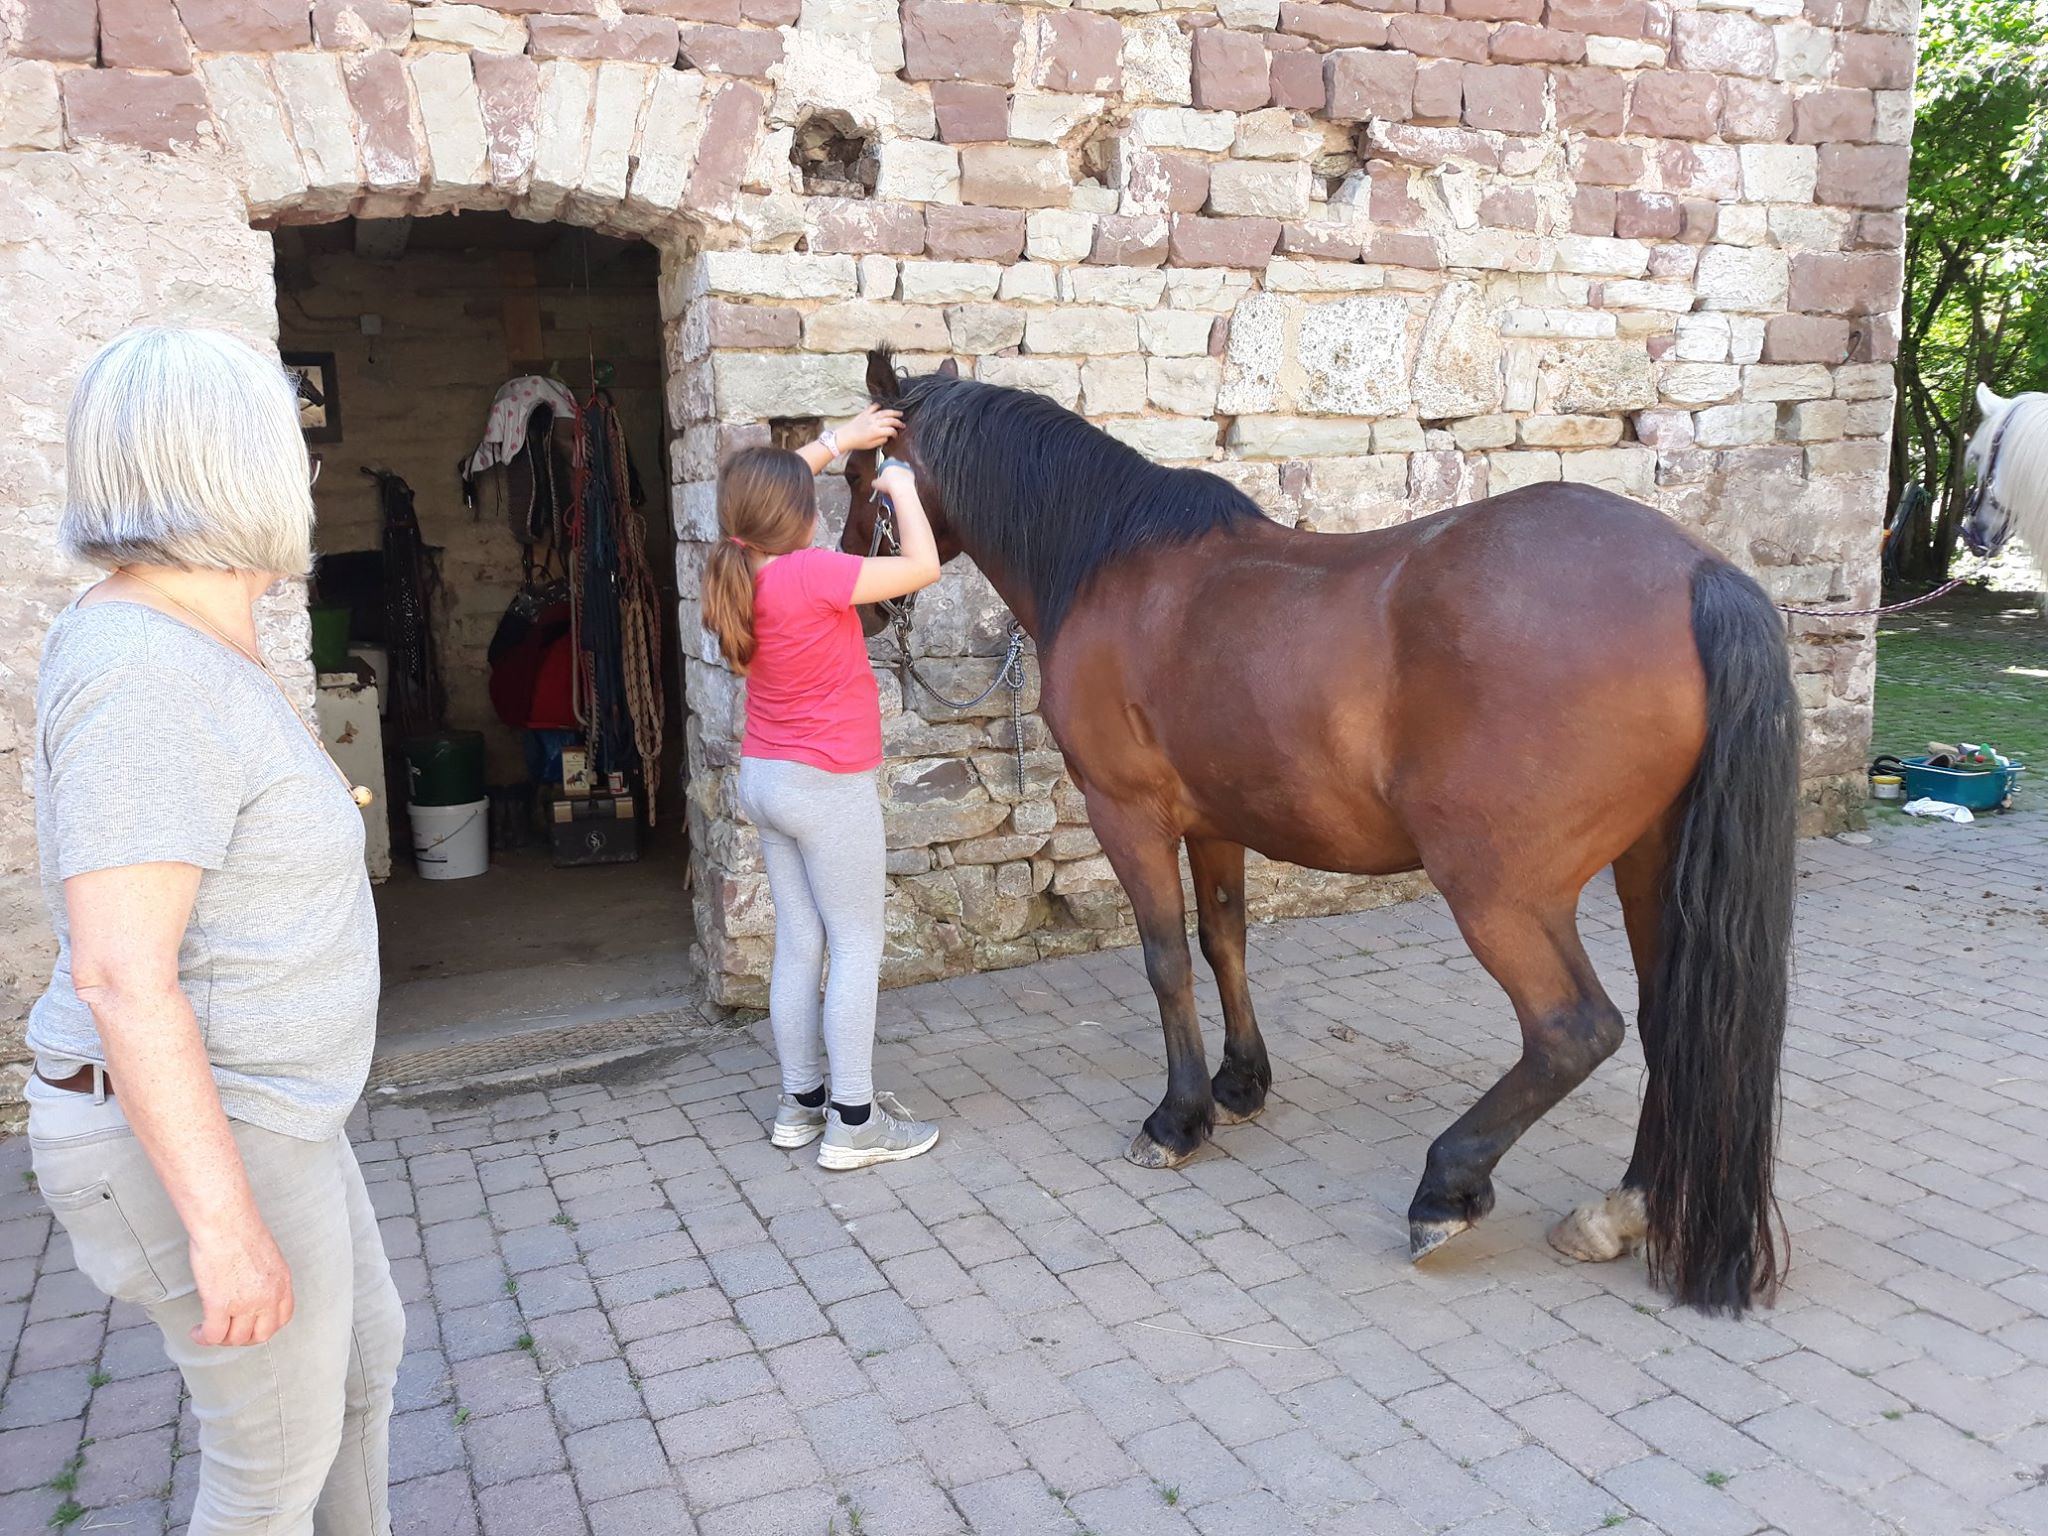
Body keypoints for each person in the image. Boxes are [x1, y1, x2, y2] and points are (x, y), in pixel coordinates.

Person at [26, 327, 402, 1535]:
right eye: (284, 439)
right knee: (267, 1478)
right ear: (232, 461)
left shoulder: (192, 637)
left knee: (356, 1374)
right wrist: (225, 1232)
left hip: (276, 1108)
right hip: (206, 1126)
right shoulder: (145, 669)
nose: (302, 465)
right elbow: (123, 975)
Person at [701, 408, 945, 1169]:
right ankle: (855, 1121)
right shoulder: (815, 573)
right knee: (857, 944)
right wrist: (899, 486)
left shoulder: (738, 568)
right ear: (801, 519)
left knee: (801, 942)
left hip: (767, 779)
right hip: (827, 786)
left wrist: (837, 441)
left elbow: (765, 495)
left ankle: (799, 1104)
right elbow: (922, 568)